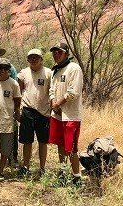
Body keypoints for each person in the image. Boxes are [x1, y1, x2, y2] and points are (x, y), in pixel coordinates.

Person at [48, 42, 84, 186]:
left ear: (67, 54)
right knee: (60, 144)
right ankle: (62, 172)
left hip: (71, 115)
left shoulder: (74, 68)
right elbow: (52, 89)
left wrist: (58, 103)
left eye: (60, 52)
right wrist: (52, 102)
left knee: (72, 147)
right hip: (57, 115)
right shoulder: (55, 70)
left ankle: (76, 177)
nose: (56, 54)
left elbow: (73, 92)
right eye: (54, 52)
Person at [17, 49, 52, 177]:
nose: (33, 59)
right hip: (27, 110)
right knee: (27, 141)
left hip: (44, 112)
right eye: (31, 57)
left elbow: (52, 91)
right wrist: (17, 110)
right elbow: (18, 92)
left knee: (43, 142)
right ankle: (25, 166)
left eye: (36, 57)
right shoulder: (23, 73)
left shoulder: (48, 73)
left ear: (41, 59)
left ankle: (42, 168)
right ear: (28, 59)